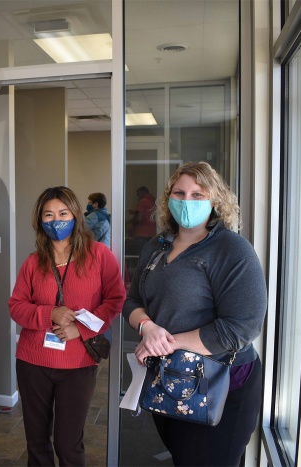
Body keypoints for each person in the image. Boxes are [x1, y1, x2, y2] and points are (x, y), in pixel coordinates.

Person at [122, 162, 266, 466]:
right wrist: (147, 327)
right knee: (184, 457)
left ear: (215, 201)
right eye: (180, 193)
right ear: (168, 199)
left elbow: (242, 326)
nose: (187, 201)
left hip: (221, 382)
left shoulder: (231, 250)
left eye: (198, 195)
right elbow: (132, 300)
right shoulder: (155, 247)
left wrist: (166, 342)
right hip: (170, 378)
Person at [9, 186, 125, 466]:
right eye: (48, 214)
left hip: (78, 364)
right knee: (36, 441)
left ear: (75, 215)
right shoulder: (33, 263)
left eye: (62, 213)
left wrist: (81, 330)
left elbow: (115, 299)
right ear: (40, 220)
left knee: (67, 443)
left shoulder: (99, 255)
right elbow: (16, 306)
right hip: (33, 361)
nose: (55, 220)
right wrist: (50, 314)